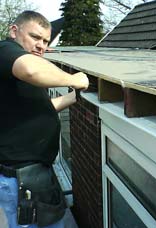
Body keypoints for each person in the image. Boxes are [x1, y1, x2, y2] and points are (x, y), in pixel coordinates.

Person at [0, 11, 89, 228]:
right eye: (35, 37)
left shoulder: (15, 69)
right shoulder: (5, 50)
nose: (41, 45)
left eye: (46, 41)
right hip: (22, 180)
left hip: (35, 175)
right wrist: (74, 79)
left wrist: (72, 98)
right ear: (14, 31)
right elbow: (31, 69)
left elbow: (39, 108)